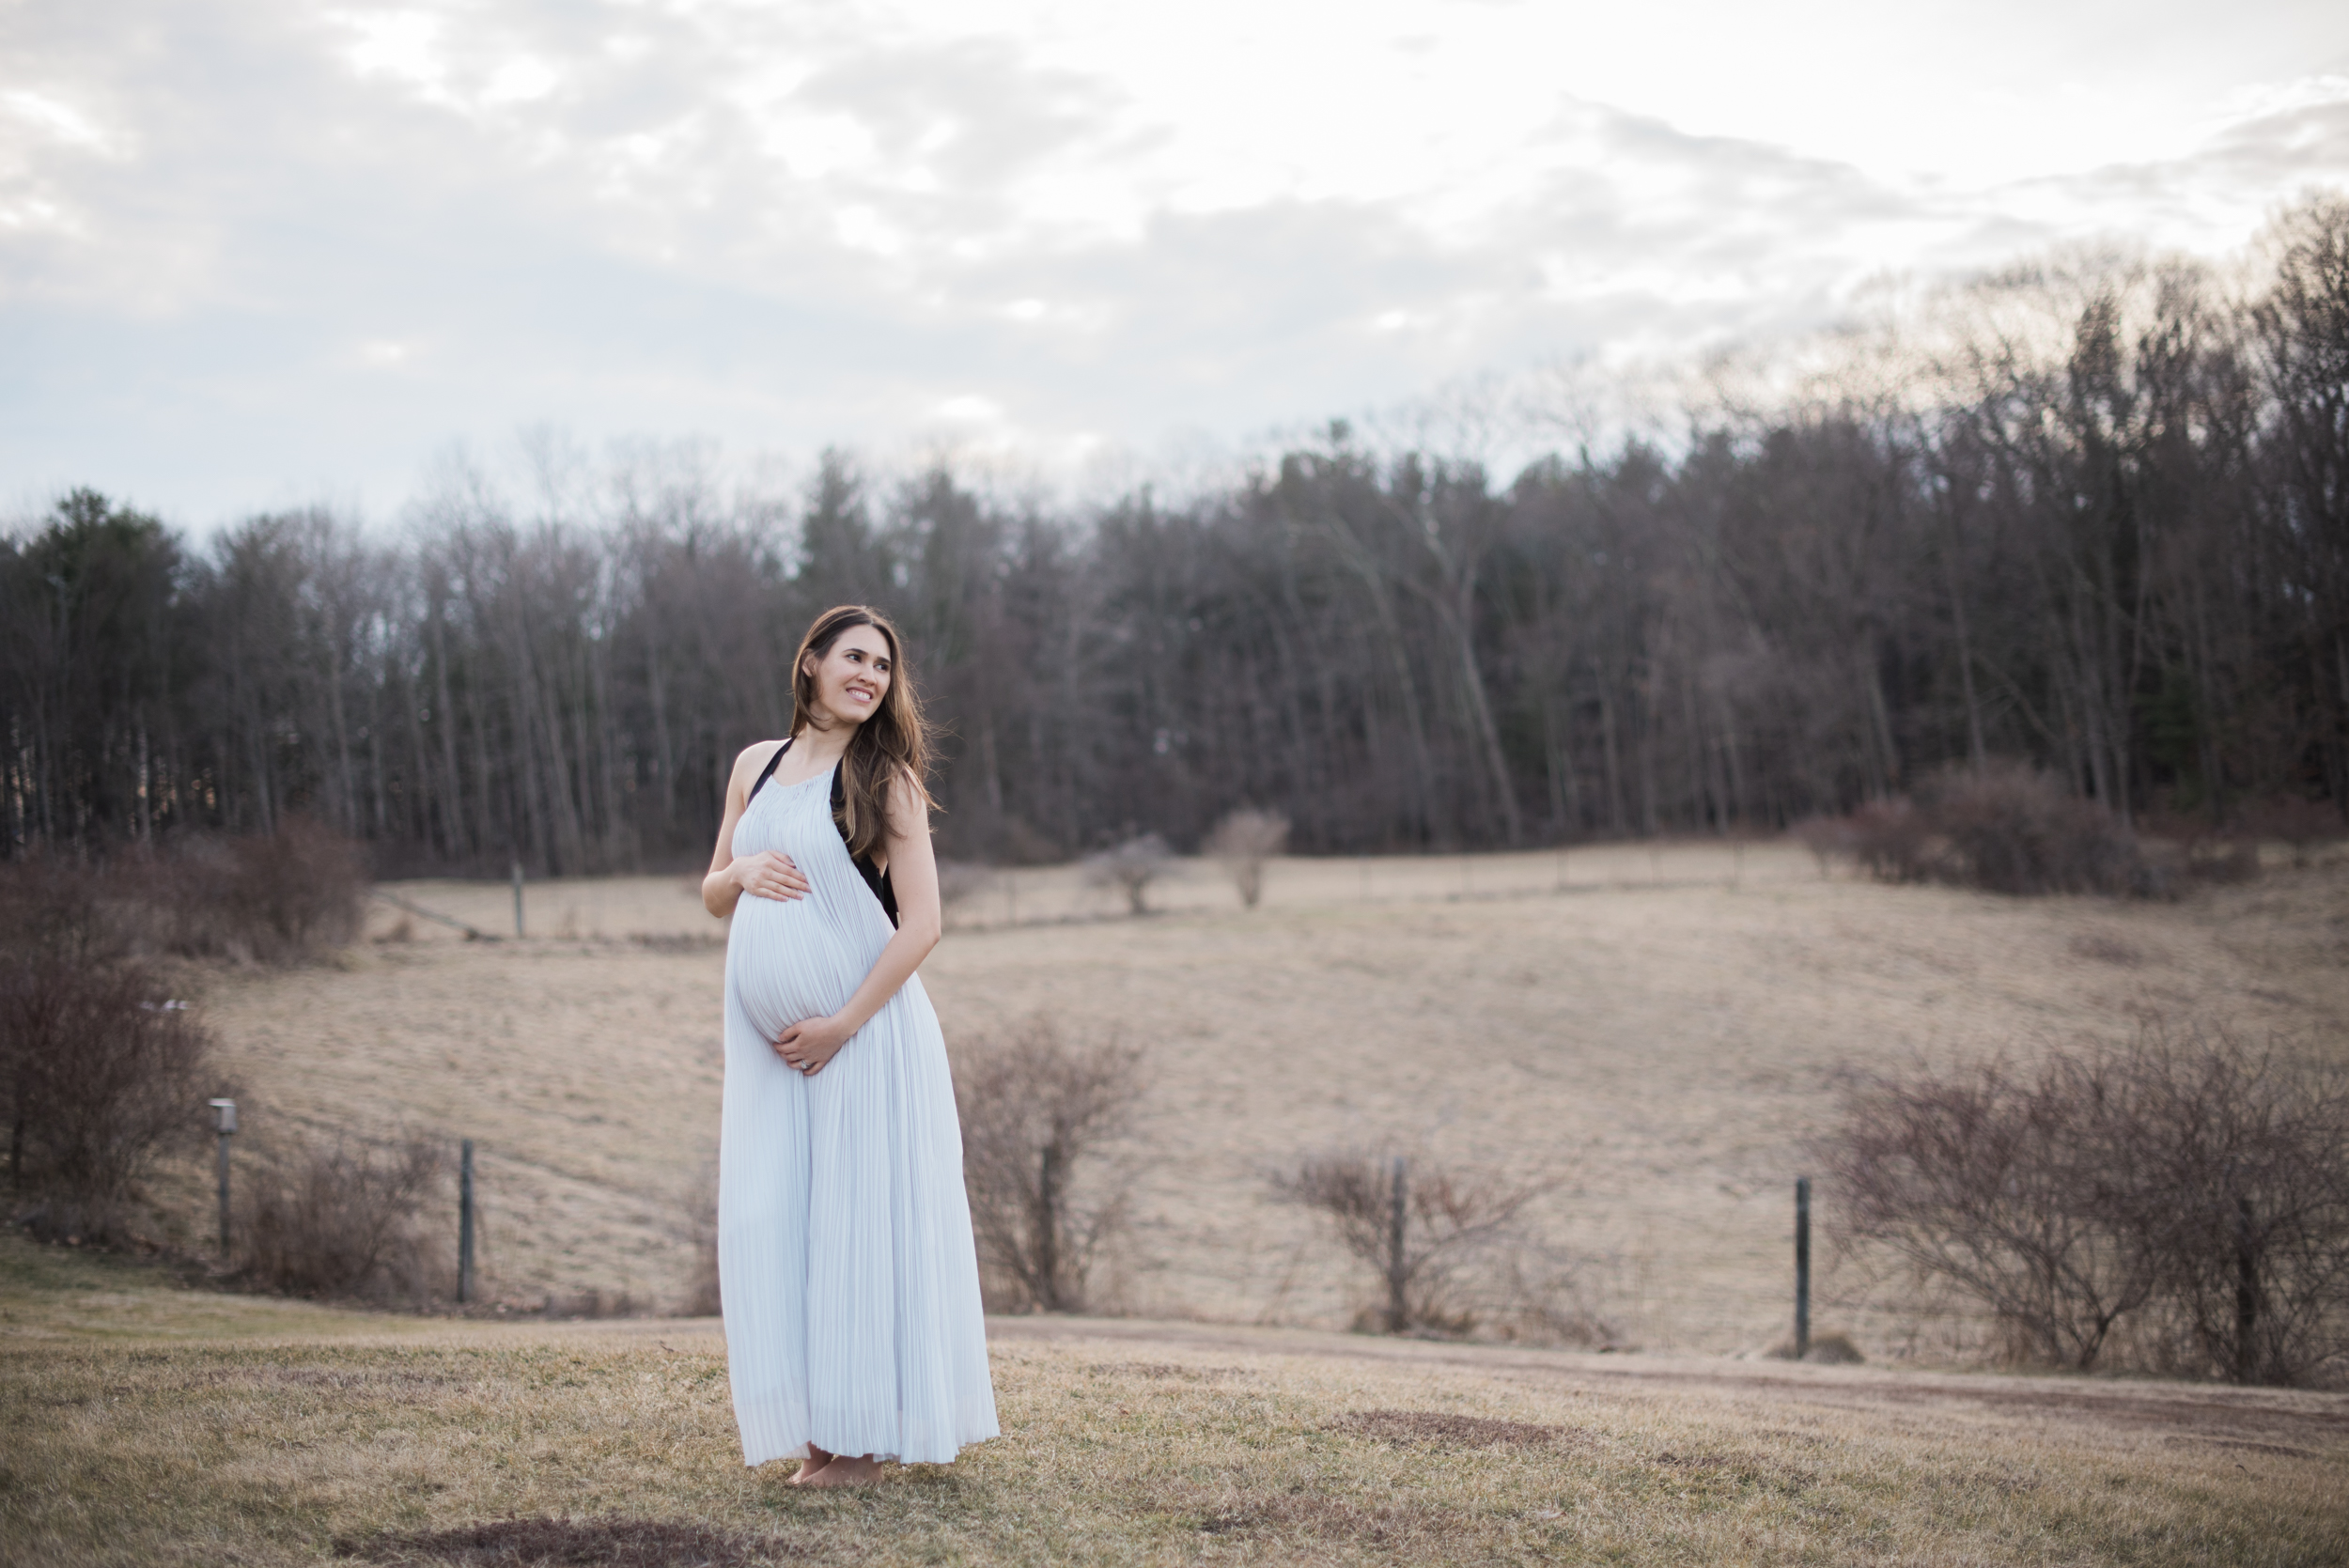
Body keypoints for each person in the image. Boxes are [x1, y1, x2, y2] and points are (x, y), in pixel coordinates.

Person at [700, 604, 998, 1487]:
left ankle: (861, 1447)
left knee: (855, 1230)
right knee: (780, 1221)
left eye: (883, 665)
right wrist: (741, 873)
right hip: (772, 1056)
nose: (870, 674)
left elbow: (924, 926)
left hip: (864, 1041)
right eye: (854, 657)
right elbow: (713, 891)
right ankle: (822, 1427)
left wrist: (842, 1023)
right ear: (811, 663)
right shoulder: (755, 767)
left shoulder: (886, 778)